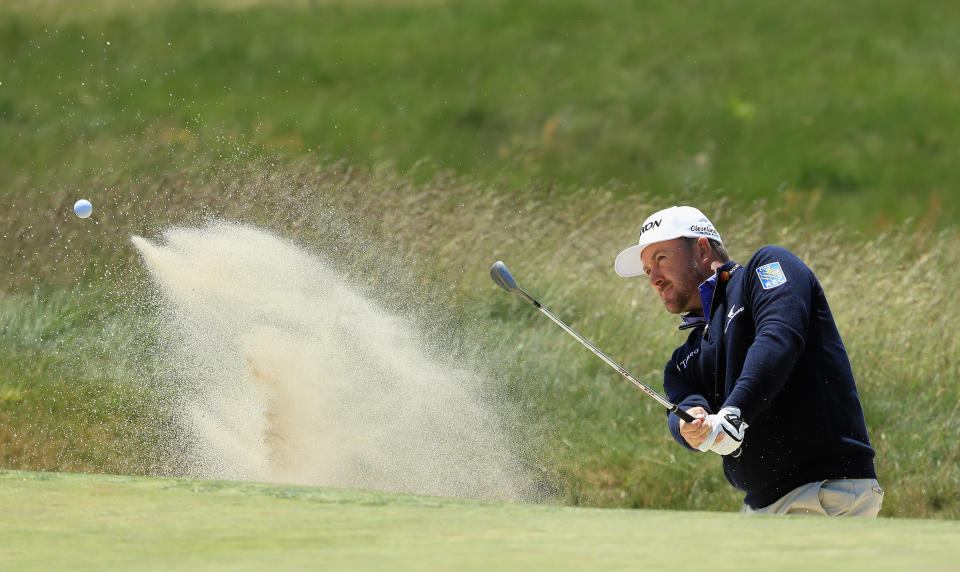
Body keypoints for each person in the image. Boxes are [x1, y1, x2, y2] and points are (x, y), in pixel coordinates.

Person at [614, 206, 883, 516]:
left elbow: (779, 337)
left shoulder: (767, 268)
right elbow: (683, 404)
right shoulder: (682, 362)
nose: (654, 279)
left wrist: (734, 413)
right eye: (648, 270)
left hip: (826, 492)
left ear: (702, 249)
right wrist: (691, 425)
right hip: (760, 506)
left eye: (660, 259)